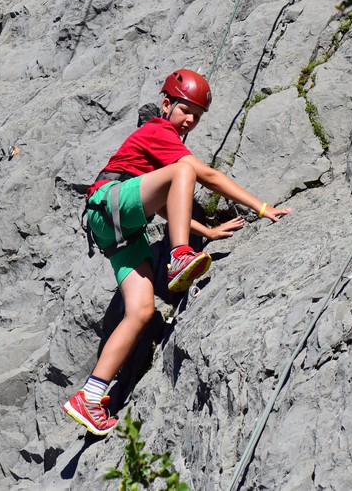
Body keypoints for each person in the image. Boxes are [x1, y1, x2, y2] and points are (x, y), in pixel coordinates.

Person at [63, 69, 292, 436]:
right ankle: (179, 256)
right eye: (185, 110)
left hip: (118, 230)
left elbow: (170, 205)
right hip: (109, 205)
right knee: (185, 169)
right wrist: (262, 208)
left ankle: (90, 396)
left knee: (141, 312)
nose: (190, 121)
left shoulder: (160, 146)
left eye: (197, 117)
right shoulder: (158, 131)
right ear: (166, 104)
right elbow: (203, 176)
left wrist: (208, 231)